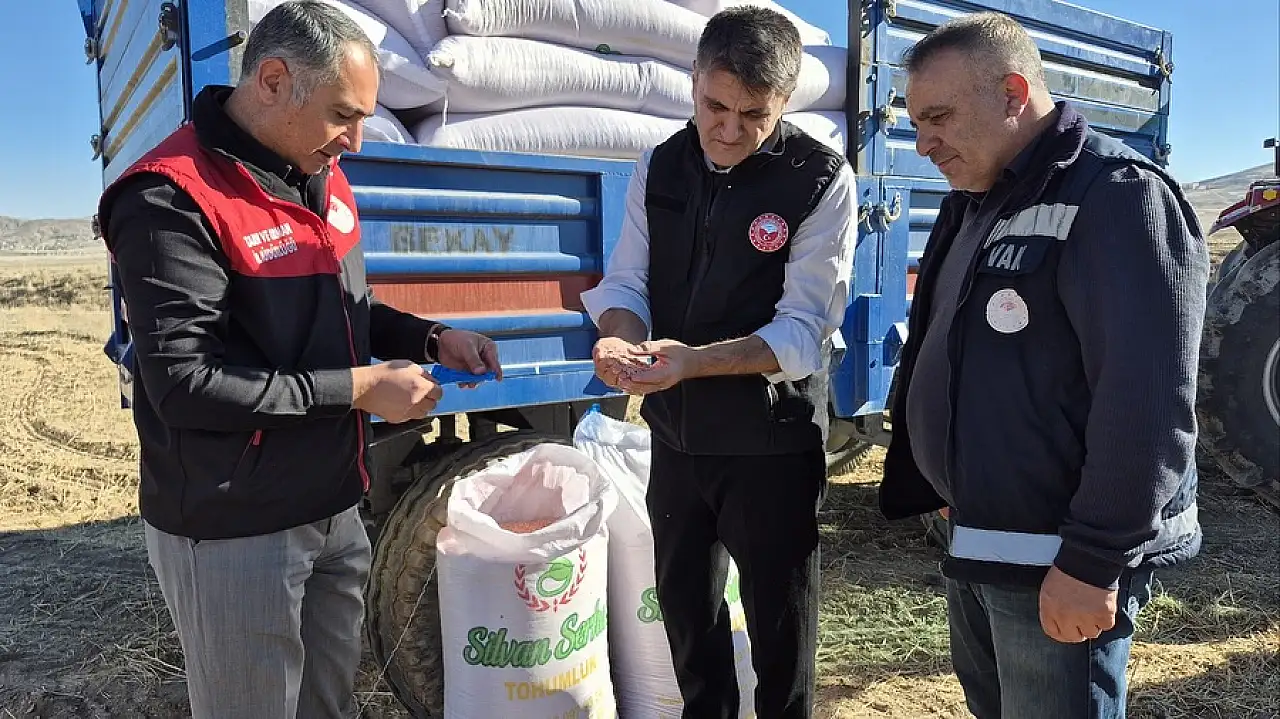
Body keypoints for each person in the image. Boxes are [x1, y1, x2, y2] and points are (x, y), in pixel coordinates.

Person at [95, 3, 500, 717]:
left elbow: (344, 311)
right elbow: (185, 386)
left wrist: (432, 339)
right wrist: (359, 389)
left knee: (327, 705)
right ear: (274, 80)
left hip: (332, 507)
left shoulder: (319, 173)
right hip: (237, 528)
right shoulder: (170, 197)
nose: (357, 140)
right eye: (344, 115)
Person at [878, 12, 1208, 719]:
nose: (923, 142)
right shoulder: (976, 200)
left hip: (1058, 558)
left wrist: (1092, 560)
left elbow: (1147, 403)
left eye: (938, 117)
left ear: (1013, 93)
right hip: (982, 533)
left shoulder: (1117, 194)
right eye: (916, 122)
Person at [581, 7, 856, 718]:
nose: (729, 130)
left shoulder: (819, 178)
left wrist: (691, 363)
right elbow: (627, 282)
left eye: (754, 115)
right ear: (695, 80)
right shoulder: (660, 165)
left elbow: (802, 332)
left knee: (780, 638)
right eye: (715, 106)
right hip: (677, 439)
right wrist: (617, 336)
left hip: (771, 445)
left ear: (784, 102)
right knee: (688, 622)